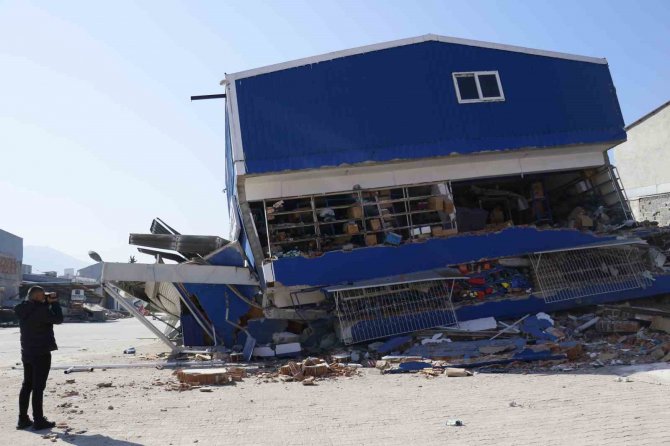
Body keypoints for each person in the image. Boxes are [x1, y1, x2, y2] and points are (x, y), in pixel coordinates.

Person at [14, 286, 63, 430]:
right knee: (38, 387)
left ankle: (22, 419)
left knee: (27, 385)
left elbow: (35, 311)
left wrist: (45, 302)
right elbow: (58, 319)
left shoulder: (22, 309)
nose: (44, 297)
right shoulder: (41, 310)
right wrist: (54, 303)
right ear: (36, 297)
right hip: (41, 353)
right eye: (42, 296)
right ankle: (39, 420)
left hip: (27, 352)